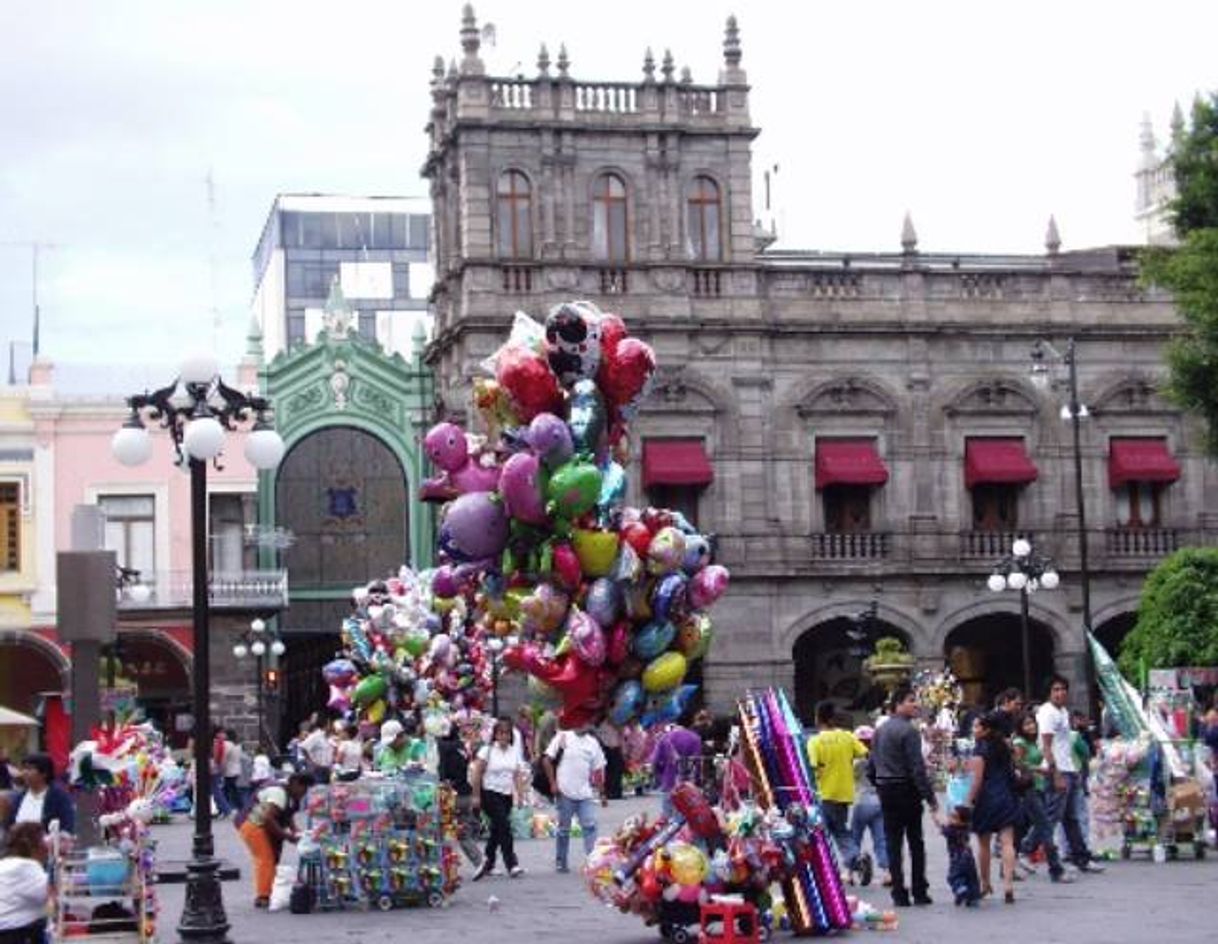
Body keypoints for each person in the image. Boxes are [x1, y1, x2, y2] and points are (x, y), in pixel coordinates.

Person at [869, 685, 938, 908]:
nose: (915, 704)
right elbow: (916, 768)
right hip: (906, 789)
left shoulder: (880, 730)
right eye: (910, 700)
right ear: (897, 705)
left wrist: (879, 784)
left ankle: (899, 892)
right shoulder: (909, 731)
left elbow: (871, 765)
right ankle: (919, 890)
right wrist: (930, 797)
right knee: (915, 841)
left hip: (886, 789)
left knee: (893, 841)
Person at [1036, 676, 1103, 873]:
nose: (1060, 693)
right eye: (1056, 689)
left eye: (1063, 689)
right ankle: (1027, 850)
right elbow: (1046, 746)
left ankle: (1081, 857)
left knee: (1070, 817)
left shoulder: (1063, 712)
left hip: (1069, 768)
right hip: (1057, 770)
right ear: (1049, 693)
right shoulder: (1047, 713)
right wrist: (1056, 773)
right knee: (1051, 817)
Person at [963, 712, 1020, 903]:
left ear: (986, 729)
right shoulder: (1003, 747)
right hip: (1005, 795)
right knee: (1007, 842)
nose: (974, 730)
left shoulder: (980, 751)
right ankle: (1008, 885)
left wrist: (968, 800)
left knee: (984, 844)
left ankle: (985, 883)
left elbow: (977, 780)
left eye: (977, 726)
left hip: (986, 799)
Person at [808, 703, 868, 883]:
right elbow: (864, 754)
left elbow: (812, 766)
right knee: (841, 831)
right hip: (844, 794)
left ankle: (825, 871)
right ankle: (855, 859)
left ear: (818, 718)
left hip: (823, 793)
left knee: (820, 835)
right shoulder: (848, 737)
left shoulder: (815, 741)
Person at [237, 771, 313, 909]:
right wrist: (287, 836)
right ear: (295, 784)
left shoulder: (288, 794)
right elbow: (269, 819)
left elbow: (286, 813)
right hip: (253, 825)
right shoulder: (278, 793)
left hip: (263, 826)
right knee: (265, 859)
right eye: (304, 788)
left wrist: (295, 830)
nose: (304, 792)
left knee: (272, 858)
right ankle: (263, 896)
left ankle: (270, 890)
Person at [1012, 712, 1071, 883]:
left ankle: (1008, 865)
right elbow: (1017, 763)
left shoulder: (1030, 742)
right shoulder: (1020, 742)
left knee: (1021, 828)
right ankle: (1056, 869)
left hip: (1038, 787)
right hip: (1028, 789)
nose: (1031, 727)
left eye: (1033, 723)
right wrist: (1038, 769)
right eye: (1027, 724)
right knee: (1045, 827)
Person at [470, 717, 528, 880]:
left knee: (497, 830)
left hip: (506, 794)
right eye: (500, 733)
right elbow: (477, 773)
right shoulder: (487, 751)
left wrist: (521, 794)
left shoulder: (513, 751)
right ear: (495, 735)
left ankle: (488, 862)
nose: (503, 737)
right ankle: (512, 863)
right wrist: (475, 796)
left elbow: (517, 774)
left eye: (506, 734)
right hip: (489, 792)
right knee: (504, 826)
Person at [544, 725, 606, 873]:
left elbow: (598, 769)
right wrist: (553, 784)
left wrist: (602, 793)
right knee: (564, 830)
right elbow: (546, 760)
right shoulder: (563, 737)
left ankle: (592, 861)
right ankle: (561, 861)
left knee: (590, 826)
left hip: (585, 794)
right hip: (565, 792)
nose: (586, 724)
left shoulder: (593, 743)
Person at [436, 721, 483, 870]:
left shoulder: (442, 747)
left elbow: (441, 771)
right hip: (465, 793)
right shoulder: (461, 746)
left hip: (450, 794)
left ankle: (443, 865)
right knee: (463, 830)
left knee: (442, 831)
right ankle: (480, 861)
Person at [850, 726, 889, 887]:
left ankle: (849, 872)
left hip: (861, 802)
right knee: (881, 839)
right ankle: (888, 872)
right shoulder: (881, 759)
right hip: (879, 802)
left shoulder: (856, 762)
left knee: (854, 838)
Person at [0, 822, 49, 944]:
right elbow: (48, 894)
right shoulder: (25, 866)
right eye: (43, 839)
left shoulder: (6, 864)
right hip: (17, 933)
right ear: (33, 845)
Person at [5, 754, 75, 835]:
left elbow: (67, 827)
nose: (24, 772)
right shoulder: (19, 798)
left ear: (44, 773)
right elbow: (8, 826)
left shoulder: (59, 797)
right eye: (23, 768)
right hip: (19, 845)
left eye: (29, 769)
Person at [648, 725, 703, 817]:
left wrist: (660, 775)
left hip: (669, 783)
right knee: (687, 818)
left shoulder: (665, 738)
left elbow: (655, 761)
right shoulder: (695, 738)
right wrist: (697, 780)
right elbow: (697, 762)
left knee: (668, 818)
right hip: (688, 785)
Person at [941, 806, 980, 907]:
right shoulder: (967, 828)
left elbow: (942, 828)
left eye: (953, 817)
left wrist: (936, 817)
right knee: (971, 878)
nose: (950, 819)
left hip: (957, 858)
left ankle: (961, 890)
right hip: (969, 857)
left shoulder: (952, 830)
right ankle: (973, 897)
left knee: (954, 877)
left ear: (961, 821)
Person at [595, 719, 625, 800]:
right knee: (609, 771)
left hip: (616, 748)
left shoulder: (617, 723)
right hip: (607, 748)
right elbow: (598, 735)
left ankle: (617, 792)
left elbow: (621, 732)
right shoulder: (601, 724)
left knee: (617, 771)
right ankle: (609, 792)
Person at [299, 720, 334, 784]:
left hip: (327, 769)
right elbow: (303, 747)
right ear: (325, 726)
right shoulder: (316, 736)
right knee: (317, 789)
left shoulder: (328, 738)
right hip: (318, 770)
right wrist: (311, 762)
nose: (332, 727)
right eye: (330, 725)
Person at [221, 730, 244, 812]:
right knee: (231, 789)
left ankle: (227, 807)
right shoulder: (238, 746)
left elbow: (224, 757)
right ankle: (238, 806)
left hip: (229, 770)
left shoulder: (228, 745)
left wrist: (221, 768)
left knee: (229, 790)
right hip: (236, 769)